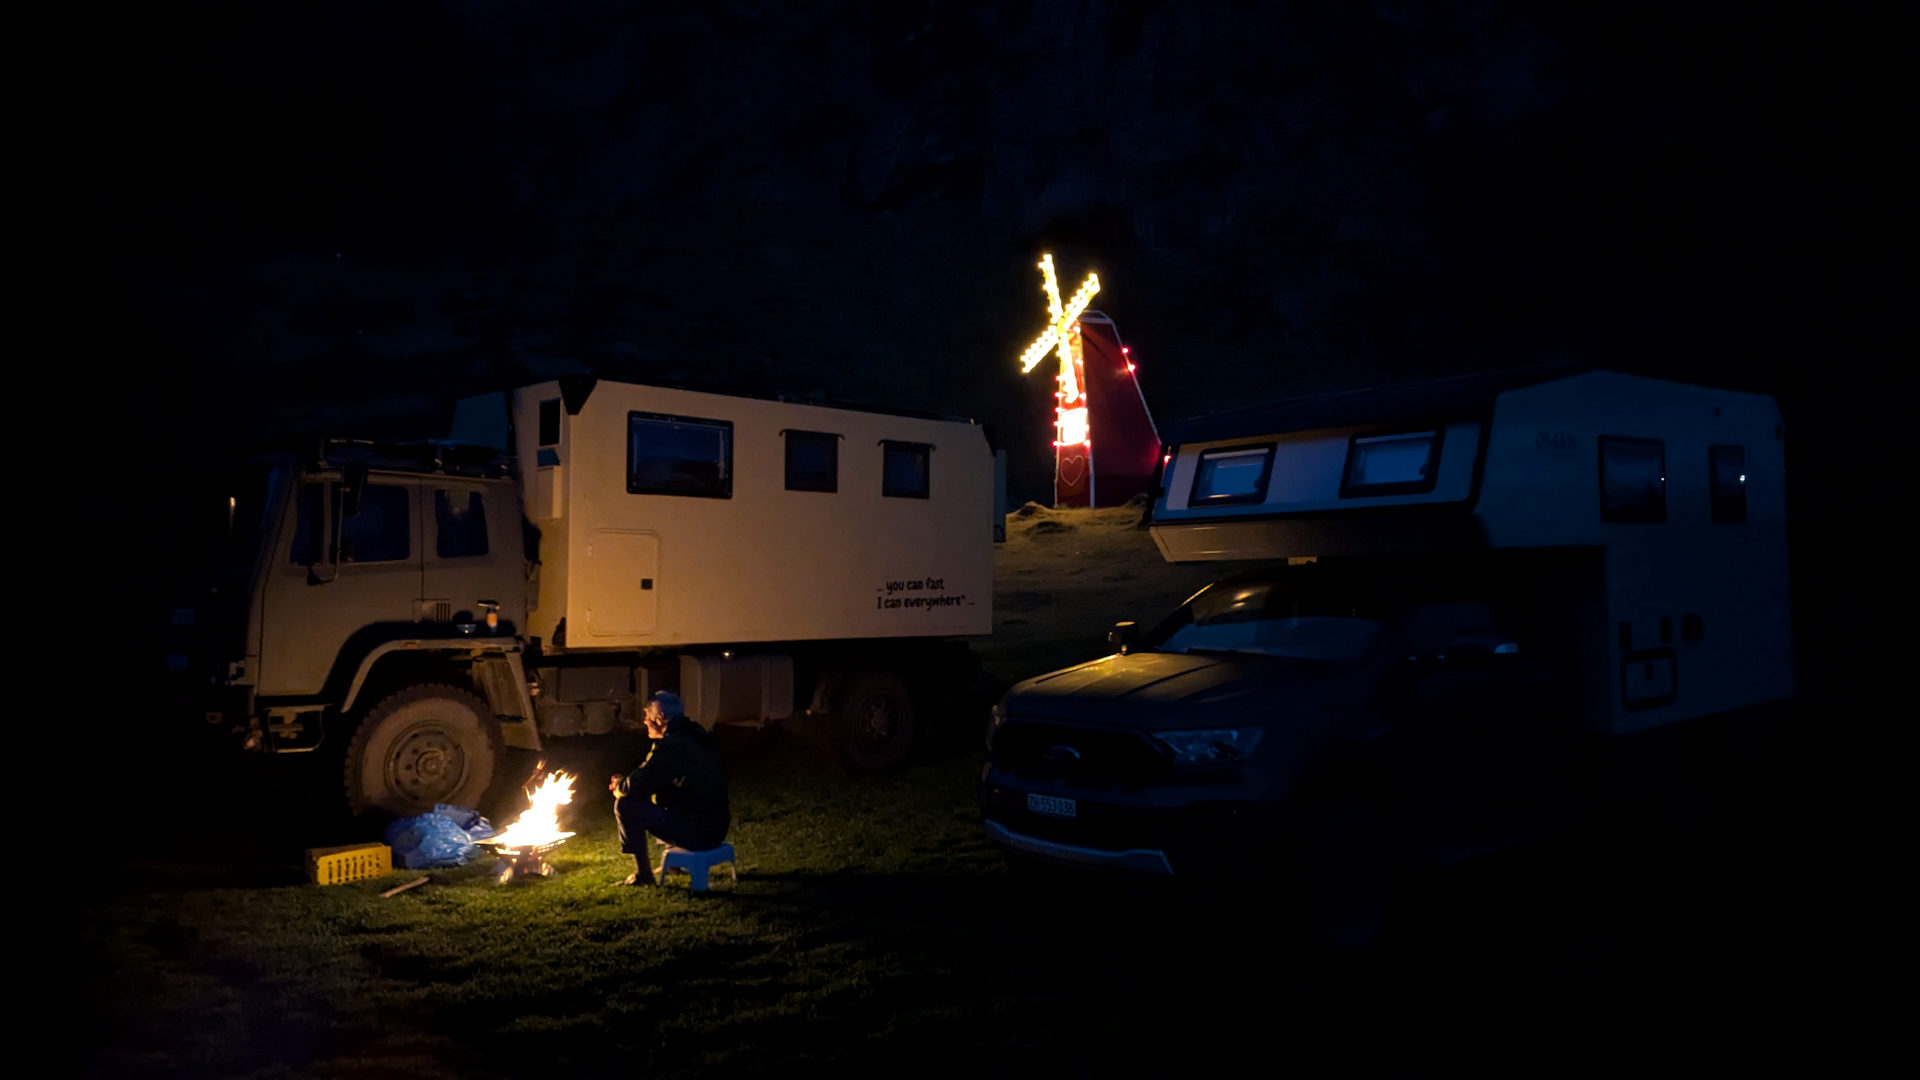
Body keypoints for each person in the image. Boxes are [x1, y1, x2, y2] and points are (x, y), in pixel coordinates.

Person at [608, 690, 730, 885]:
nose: (645, 722)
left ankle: (643, 875)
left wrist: (618, 786)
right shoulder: (696, 733)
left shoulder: (673, 745)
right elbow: (652, 776)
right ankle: (674, 865)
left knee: (625, 804)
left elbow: (636, 785)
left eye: (647, 716)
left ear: (660, 717)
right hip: (717, 827)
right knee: (662, 791)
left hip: (698, 833)